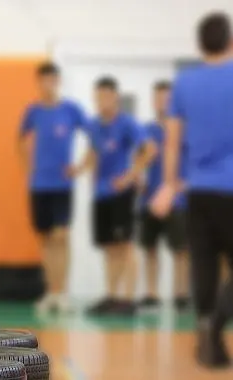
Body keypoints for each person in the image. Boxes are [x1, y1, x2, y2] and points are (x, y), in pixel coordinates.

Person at [150, 12, 233, 368]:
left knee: (204, 266)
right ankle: (215, 326)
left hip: (197, 190)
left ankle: (207, 339)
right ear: (230, 40)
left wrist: (169, 185)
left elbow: (172, 142)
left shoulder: (185, 83)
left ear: (200, 45)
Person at [19, 62, 87, 314]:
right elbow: (21, 139)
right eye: (43, 80)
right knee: (46, 239)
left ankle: (63, 293)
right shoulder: (33, 111)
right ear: (39, 82)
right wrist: (28, 167)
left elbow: (95, 137)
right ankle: (51, 292)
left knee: (62, 236)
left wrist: (80, 167)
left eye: (52, 80)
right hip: (39, 185)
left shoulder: (71, 110)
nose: (48, 85)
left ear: (58, 81)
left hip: (62, 185)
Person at [84, 77, 157, 316]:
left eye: (106, 96)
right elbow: (94, 153)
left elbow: (150, 149)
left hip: (122, 194)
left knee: (125, 245)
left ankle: (128, 299)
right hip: (101, 193)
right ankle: (112, 296)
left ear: (115, 97)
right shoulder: (94, 125)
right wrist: (82, 173)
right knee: (109, 247)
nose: (102, 101)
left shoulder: (127, 123)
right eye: (98, 96)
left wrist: (130, 176)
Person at [138, 81, 189, 311]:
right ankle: (151, 294)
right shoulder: (146, 131)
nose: (162, 103)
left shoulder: (183, 130)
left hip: (177, 199)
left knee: (181, 249)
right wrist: (137, 177)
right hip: (150, 198)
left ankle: (181, 295)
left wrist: (183, 186)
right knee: (150, 248)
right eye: (158, 98)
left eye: (166, 98)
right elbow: (137, 160)